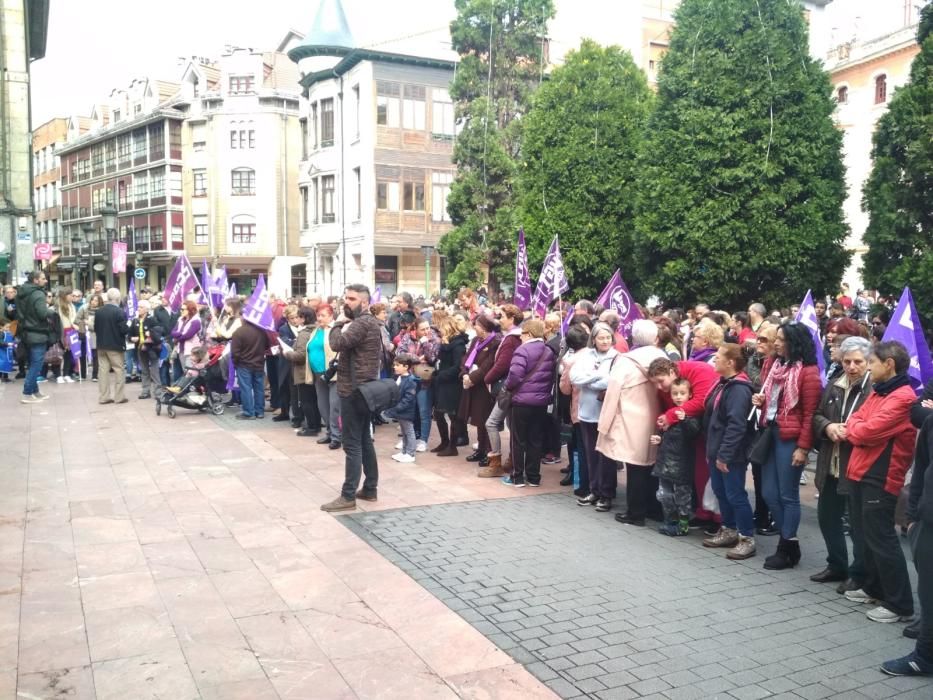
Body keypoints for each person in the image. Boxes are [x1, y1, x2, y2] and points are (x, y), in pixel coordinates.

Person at [843, 341, 916, 624]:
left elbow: (866, 431)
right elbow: (857, 419)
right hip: (862, 470)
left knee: (882, 538)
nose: (868, 368)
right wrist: (856, 427)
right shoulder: (880, 391)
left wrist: (855, 429)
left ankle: (900, 604)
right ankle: (874, 588)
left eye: (871, 362)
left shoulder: (903, 397)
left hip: (882, 475)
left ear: (889, 364)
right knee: (865, 534)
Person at [753, 323, 823, 570]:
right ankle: (790, 543)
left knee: (788, 494)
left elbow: (810, 414)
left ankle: (786, 545)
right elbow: (774, 402)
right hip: (771, 431)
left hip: (790, 438)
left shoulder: (809, 372)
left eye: (782, 339)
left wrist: (803, 448)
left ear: (795, 342)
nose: (777, 343)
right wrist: (761, 403)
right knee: (769, 493)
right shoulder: (776, 366)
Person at [810, 336, 872, 588]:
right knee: (827, 517)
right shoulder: (835, 384)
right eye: (847, 361)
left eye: (858, 361)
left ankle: (859, 574)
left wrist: (853, 431)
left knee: (857, 525)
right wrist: (828, 427)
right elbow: (817, 415)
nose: (852, 366)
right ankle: (837, 564)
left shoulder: (872, 390)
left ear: (868, 362)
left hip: (855, 464)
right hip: (830, 462)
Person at [880, 381, 933, 674]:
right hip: (928, 524)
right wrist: (912, 518)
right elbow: (923, 468)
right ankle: (925, 657)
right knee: (928, 594)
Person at [321, 284, 384, 512]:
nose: (347, 302)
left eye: (353, 299)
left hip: (354, 391)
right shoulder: (369, 323)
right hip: (363, 390)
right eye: (346, 298)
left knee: (352, 445)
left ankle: (348, 495)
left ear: (365, 302)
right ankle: (370, 488)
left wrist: (337, 322)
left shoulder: (362, 323)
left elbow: (337, 343)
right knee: (364, 441)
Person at [597, 320, 668, 521]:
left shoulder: (626, 360)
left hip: (629, 417)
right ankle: (654, 509)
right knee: (652, 463)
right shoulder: (662, 357)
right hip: (656, 416)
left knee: (635, 465)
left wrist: (604, 424)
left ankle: (635, 512)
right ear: (655, 337)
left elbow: (612, 393)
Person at [702, 343, 757, 559]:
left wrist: (725, 454)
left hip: (730, 453)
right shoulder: (724, 383)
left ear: (730, 363)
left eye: (718, 356)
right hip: (717, 448)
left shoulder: (739, 390)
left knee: (735, 494)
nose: (714, 359)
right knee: (721, 491)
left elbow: (736, 425)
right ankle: (729, 529)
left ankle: (746, 538)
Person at [571, 322, 621, 512]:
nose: (605, 341)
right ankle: (594, 489)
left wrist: (589, 378)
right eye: (601, 337)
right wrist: (595, 378)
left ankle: (607, 493)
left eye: (608, 337)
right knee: (591, 454)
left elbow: (613, 380)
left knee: (606, 456)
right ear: (594, 339)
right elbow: (575, 378)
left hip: (605, 413)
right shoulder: (586, 356)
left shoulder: (617, 357)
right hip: (587, 412)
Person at [501, 319, 556, 488]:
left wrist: (507, 386)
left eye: (522, 334)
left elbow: (515, 376)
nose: (520, 337)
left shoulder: (522, 350)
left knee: (518, 440)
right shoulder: (549, 351)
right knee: (535, 439)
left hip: (521, 401)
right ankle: (533, 477)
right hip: (541, 402)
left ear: (529, 334)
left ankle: (517, 477)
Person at [651, 375, 700, 536]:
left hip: (682, 463)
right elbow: (667, 434)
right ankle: (670, 520)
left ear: (690, 395)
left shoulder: (691, 415)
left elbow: (694, 432)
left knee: (682, 495)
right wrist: (659, 439)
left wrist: (685, 419)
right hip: (665, 462)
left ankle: (683, 524)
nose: (678, 397)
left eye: (682, 393)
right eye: (675, 393)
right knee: (665, 494)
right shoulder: (670, 414)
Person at [480, 304, 524, 477]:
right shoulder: (514, 337)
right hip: (511, 388)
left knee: (492, 423)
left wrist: (487, 378)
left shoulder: (512, 339)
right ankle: (511, 460)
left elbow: (502, 365)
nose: (500, 320)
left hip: (507, 388)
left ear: (512, 319)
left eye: (503, 317)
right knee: (511, 426)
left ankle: (496, 463)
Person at [458, 314, 500, 464]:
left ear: (483, 327)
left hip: (484, 386)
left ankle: (488, 451)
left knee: (485, 419)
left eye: (476, 324)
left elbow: (488, 365)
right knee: (477, 418)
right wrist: (464, 373)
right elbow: (466, 358)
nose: (474, 327)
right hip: (471, 385)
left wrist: (472, 378)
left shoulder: (495, 342)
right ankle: (480, 449)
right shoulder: (476, 340)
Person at [395, 318, 440, 451]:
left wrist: (425, 344)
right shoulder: (408, 337)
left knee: (424, 410)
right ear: (416, 329)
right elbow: (399, 355)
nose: (427, 331)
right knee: (409, 410)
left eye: (428, 328)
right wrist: (416, 358)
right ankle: (409, 438)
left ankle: (423, 440)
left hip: (425, 379)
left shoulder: (434, 339)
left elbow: (432, 357)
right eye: (423, 329)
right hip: (409, 379)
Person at [15, 271, 54, 403]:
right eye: (43, 278)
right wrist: (51, 311)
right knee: (36, 364)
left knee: (32, 363)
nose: (46, 280)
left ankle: (35, 392)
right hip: (37, 332)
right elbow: (42, 314)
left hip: (25, 332)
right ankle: (27, 393)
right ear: (36, 280)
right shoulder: (38, 293)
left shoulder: (21, 292)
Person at [282, 307, 320, 437]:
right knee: (313, 400)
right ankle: (316, 425)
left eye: (298, 317)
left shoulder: (304, 334)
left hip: (304, 371)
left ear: (303, 318)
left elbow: (300, 355)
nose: (296, 319)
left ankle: (311, 427)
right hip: (313, 370)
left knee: (306, 400)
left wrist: (287, 354)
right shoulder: (315, 329)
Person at [434, 316, 468, 456]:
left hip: (452, 384)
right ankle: (444, 441)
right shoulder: (447, 342)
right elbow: (442, 360)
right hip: (442, 381)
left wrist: (441, 375)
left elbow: (457, 367)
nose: (439, 331)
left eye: (441, 328)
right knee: (438, 413)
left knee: (452, 415)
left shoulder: (458, 345)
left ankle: (452, 446)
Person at [308, 302, 341, 448]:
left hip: (333, 374)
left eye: (323, 315)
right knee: (323, 405)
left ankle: (337, 436)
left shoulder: (334, 330)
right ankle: (329, 432)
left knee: (334, 406)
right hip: (317, 373)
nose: (320, 318)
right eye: (318, 315)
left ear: (331, 316)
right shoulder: (316, 330)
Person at [230, 310, 270, 420]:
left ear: (244, 318)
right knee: (259, 388)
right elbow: (266, 346)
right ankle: (259, 411)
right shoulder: (262, 331)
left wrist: (235, 362)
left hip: (244, 364)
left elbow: (235, 352)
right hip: (259, 363)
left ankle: (249, 412)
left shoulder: (239, 332)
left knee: (246, 388)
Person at [381, 353, 419, 463]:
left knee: (409, 432)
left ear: (406, 367)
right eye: (394, 365)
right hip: (401, 411)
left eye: (398, 365)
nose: (395, 367)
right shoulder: (400, 378)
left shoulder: (411, 380)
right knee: (404, 432)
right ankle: (404, 452)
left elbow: (408, 399)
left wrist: (396, 408)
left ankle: (410, 453)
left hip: (406, 411)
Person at [95, 288, 129, 405]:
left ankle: (104, 397)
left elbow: (95, 328)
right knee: (119, 370)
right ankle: (119, 397)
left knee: (103, 371)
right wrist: (128, 325)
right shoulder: (119, 312)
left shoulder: (99, 311)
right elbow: (123, 330)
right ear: (118, 299)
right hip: (115, 345)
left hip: (101, 345)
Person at [128, 299, 164, 400]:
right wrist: (132, 338)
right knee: (144, 370)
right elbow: (130, 334)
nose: (138, 309)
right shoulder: (135, 320)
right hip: (141, 348)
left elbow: (159, 333)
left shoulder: (152, 319)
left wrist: (150, 334)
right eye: (138, 307)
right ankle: (145, 391)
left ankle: (158, 392)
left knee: (155, 370)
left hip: (152, 348)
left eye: (141, 307)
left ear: (147, 309)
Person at [170, 301, 203, 382]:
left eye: (183, 309)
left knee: (190, 372)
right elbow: (172, 332)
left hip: (191, 350)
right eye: (181, 309)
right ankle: (184, 390)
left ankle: (192, 390)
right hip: (180, 349)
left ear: (190, 310)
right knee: (185, 371)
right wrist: (180, 334)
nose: (181, 311)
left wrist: (177, 337)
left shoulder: (196, 321)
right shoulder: (180, 319)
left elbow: (188, 335)